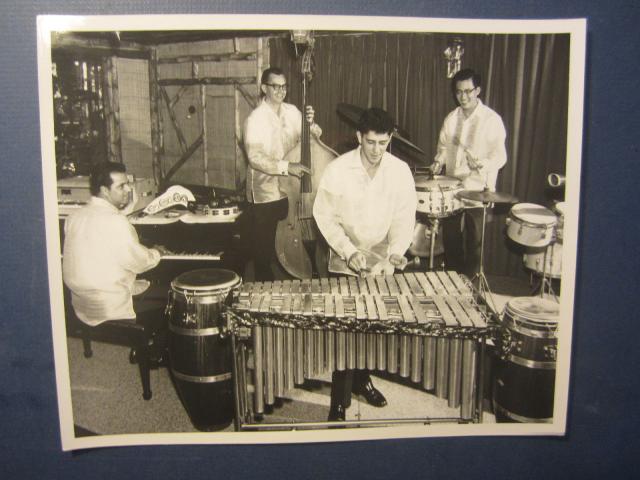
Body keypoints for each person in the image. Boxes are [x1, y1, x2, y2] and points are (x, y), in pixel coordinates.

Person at [313, 108, 417, 421]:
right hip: (345, 252)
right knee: (346, 330)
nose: (376, 150)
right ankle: (339, 400)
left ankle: (363, 380)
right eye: (370, 142)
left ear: (390, 139)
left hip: (381, 256)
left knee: (371, 325)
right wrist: (348, 251)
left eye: (383, 143)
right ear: (359, 137)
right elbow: (324, 215)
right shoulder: (337, 169)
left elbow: (404, 217)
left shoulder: (400, 171)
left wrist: (394, 252)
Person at [63, 162, 167, 327]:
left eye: (127, 184)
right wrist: (156, 253)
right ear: (105, 190)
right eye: (121, 186)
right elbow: (139, 262)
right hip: (110, 305)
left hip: (82, 305)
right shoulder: (115, 221)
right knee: (170, 294)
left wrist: (124, 213)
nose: (128, 189)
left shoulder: (73, 217)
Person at [243, 67, 321, 281]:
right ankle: (263, 290)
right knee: (263, 253)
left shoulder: (293, 111)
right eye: (275, 86)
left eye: (284, 86)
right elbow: (255, 157)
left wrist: (310, 124)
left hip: (291, 191)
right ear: (264, 88)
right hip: (265, 193)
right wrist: (288, 167)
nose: (281, 91)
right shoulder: (255, 119)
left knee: (287, 247)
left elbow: (313, 138)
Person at [431, 68, 507, 277]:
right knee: (451, 241)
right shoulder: (451, 118)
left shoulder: (491, 120)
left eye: (468, 91)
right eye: (458, 92)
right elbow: (443, 148)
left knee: (474, 245)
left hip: (478, 190)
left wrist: (481, 164)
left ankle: (471, 286)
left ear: (478, 90)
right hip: (453, 190)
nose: (463, 97)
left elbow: (500, 156)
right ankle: (453, 284)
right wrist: (438, 161)